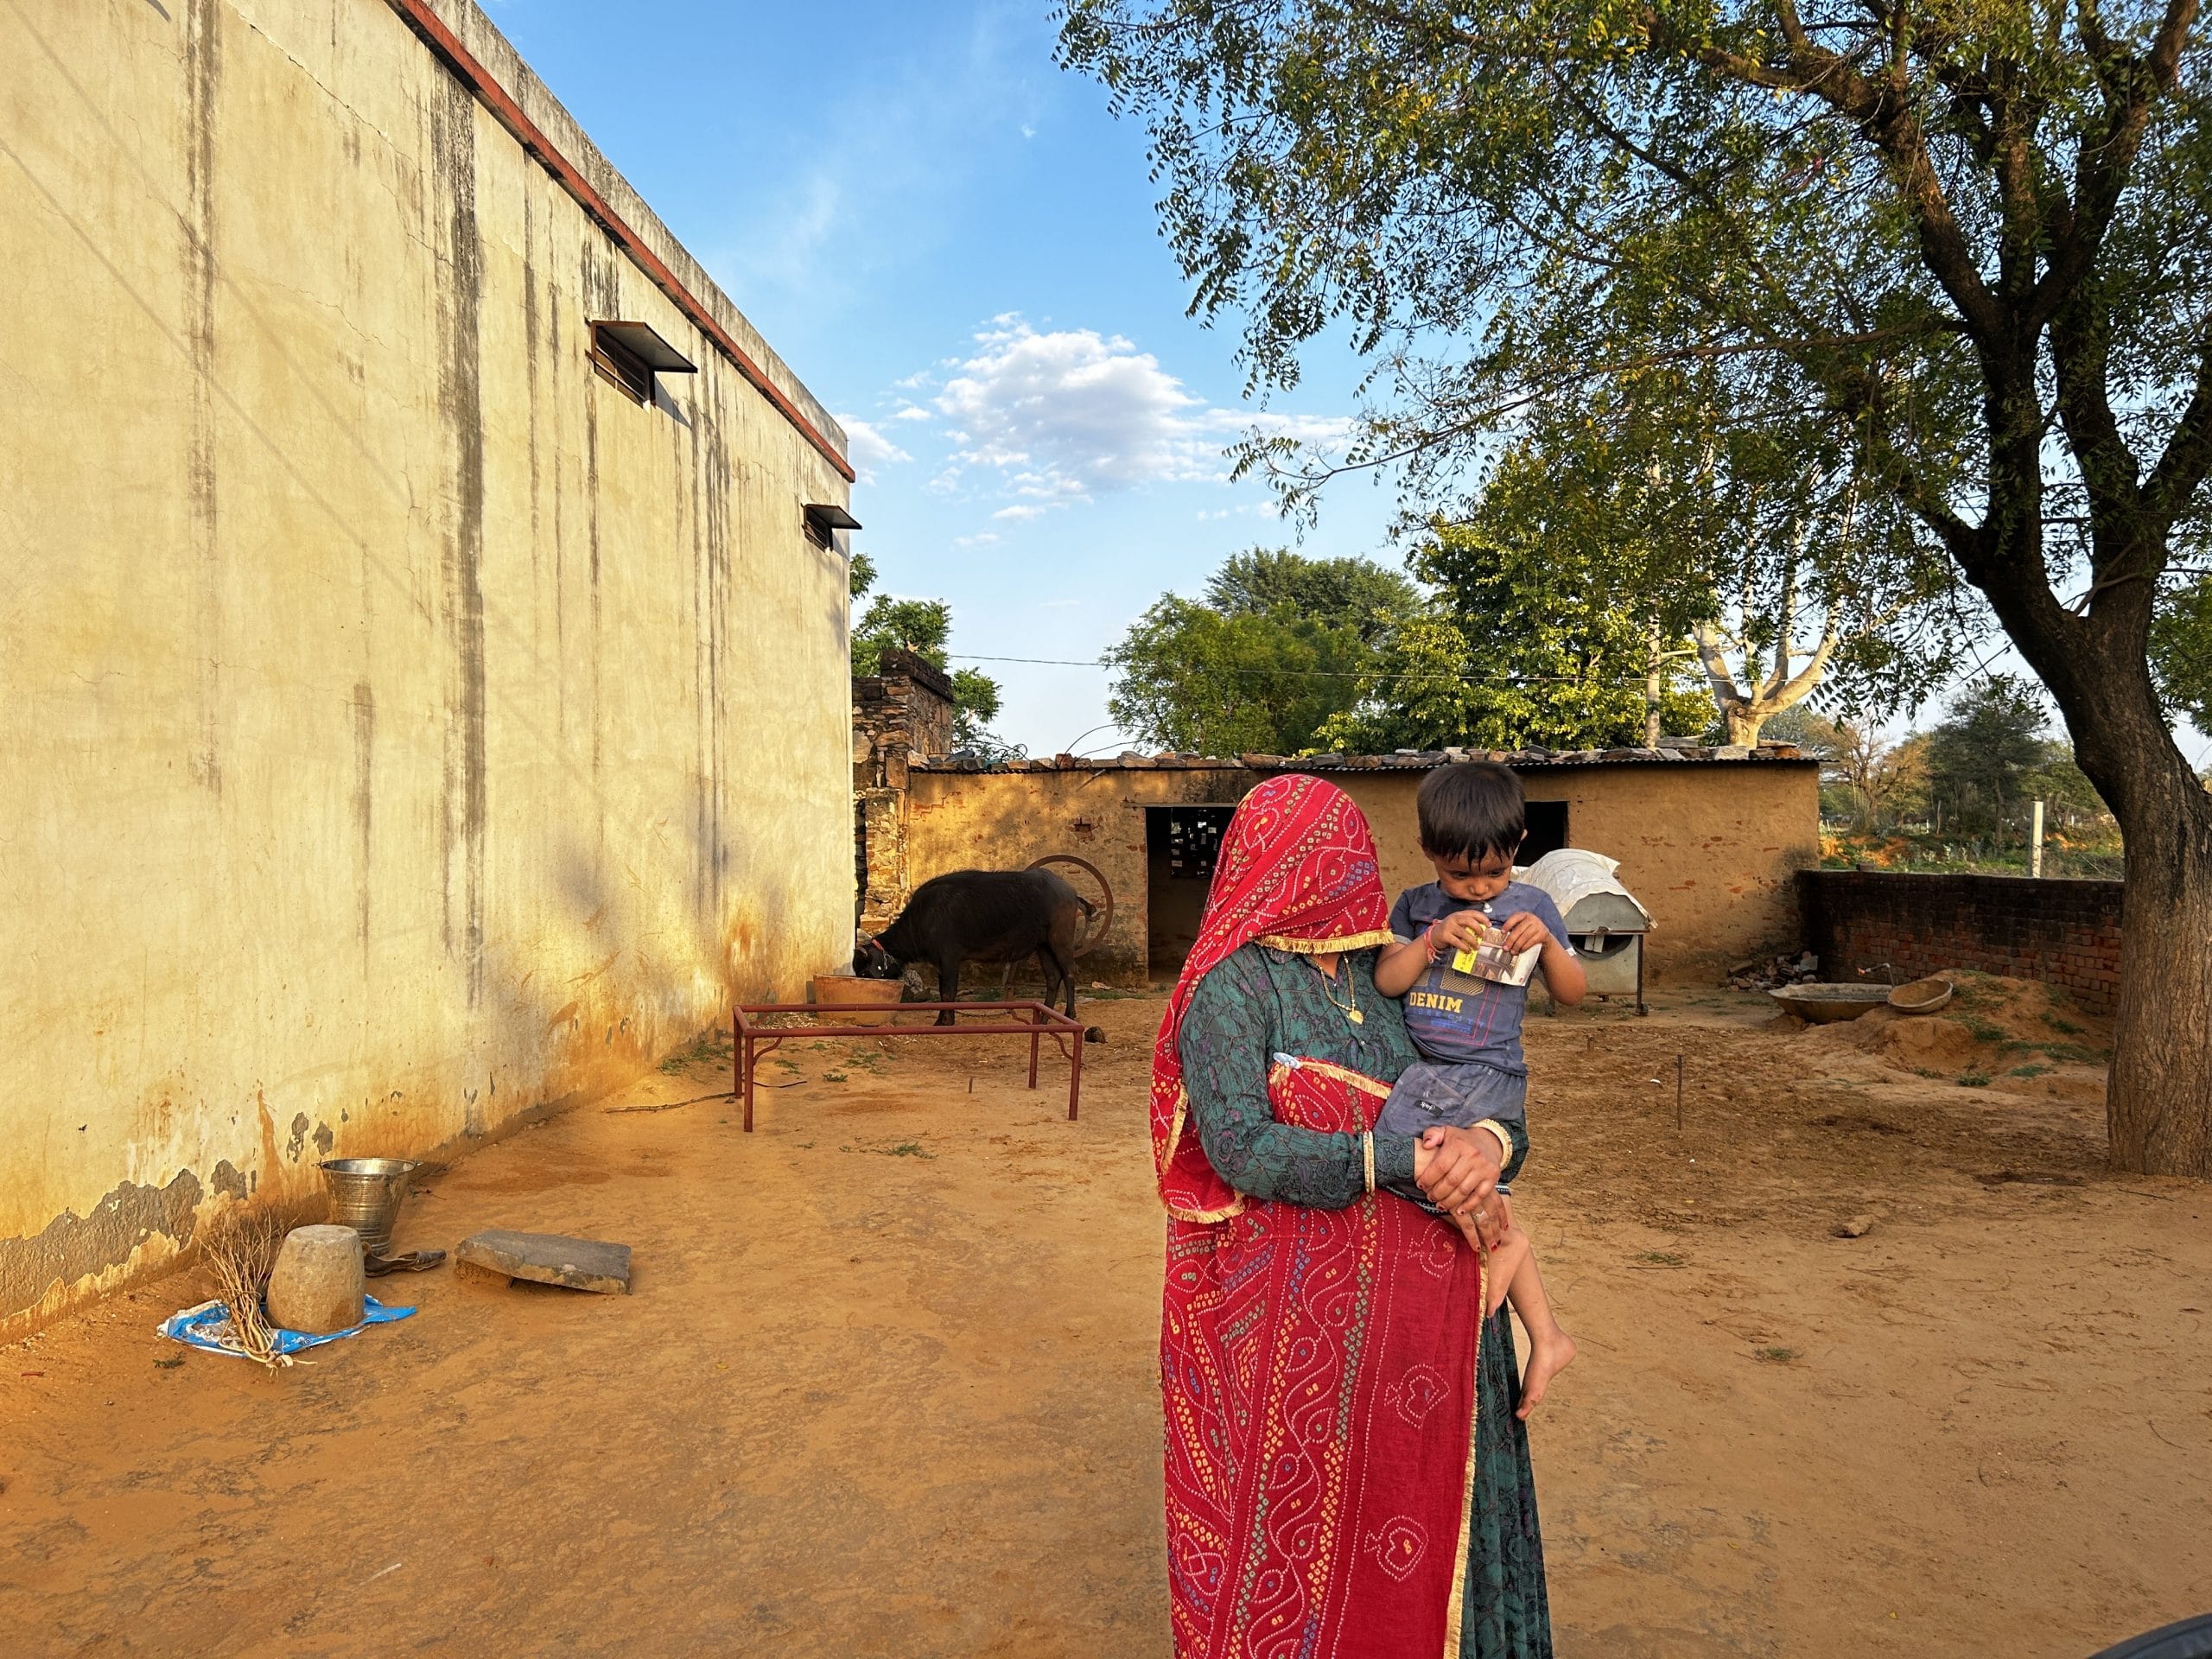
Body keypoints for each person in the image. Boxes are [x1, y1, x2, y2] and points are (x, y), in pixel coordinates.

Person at [1154, 772, 1552, 1659]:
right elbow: (1241, 1148)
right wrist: (1399, 1159)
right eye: (1325, 860)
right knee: (1307, 1539)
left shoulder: (1386, 973)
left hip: (1439, 1320)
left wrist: (1489, 1142)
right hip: (1300, 1334)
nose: (1344, 876)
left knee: (1446, 1531)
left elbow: (1481, 1082)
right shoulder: (1232, 989)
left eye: (1350, 857)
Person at [1372, 762, 1586, 1417]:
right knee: (1443, 1171)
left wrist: (1548, 944)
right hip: (1427, 1071)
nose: (1477, 887)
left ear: (1518, 843)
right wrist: (1432, 940)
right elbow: (1387, 980)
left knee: (1396, 1151)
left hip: (1487, 1075)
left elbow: (1574, 994)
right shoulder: (1416, 905)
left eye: (1493, 873)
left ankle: (1504, 1242)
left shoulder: (1533, 906)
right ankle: (1547, 1334)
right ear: (1427, 851)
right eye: (1458, 875)